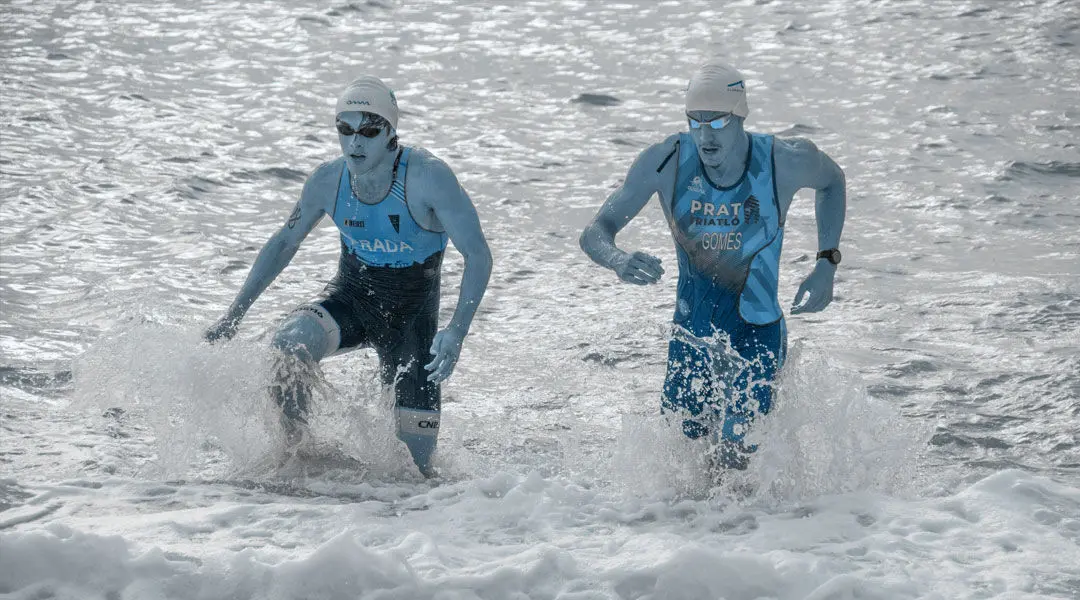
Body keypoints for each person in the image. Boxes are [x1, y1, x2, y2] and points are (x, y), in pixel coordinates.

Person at [204, 76, 493, 476]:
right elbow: (283, 244)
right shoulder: (328, 180)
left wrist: (457, 331)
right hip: (352, 299)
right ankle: (296, 457)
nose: (355, 143)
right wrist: (233, 315)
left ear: (391, 133)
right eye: (345, 130)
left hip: (412, 322)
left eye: (369, 131)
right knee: (289, 345)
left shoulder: (428, 177)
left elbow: (478, 255)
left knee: (416, 470)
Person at [579, 62, 846, 470]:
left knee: (733, 463)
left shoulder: (783, 160)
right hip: (692, 337)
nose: (705, 135)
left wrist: (826, 262)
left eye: (718, 121)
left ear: (741, 115)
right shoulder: (665, 161)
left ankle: (767, 531)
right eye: (695, 122)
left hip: (756, 333)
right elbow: (595, 231)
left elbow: (833, 181)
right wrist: (618, 259)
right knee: (686, 473)